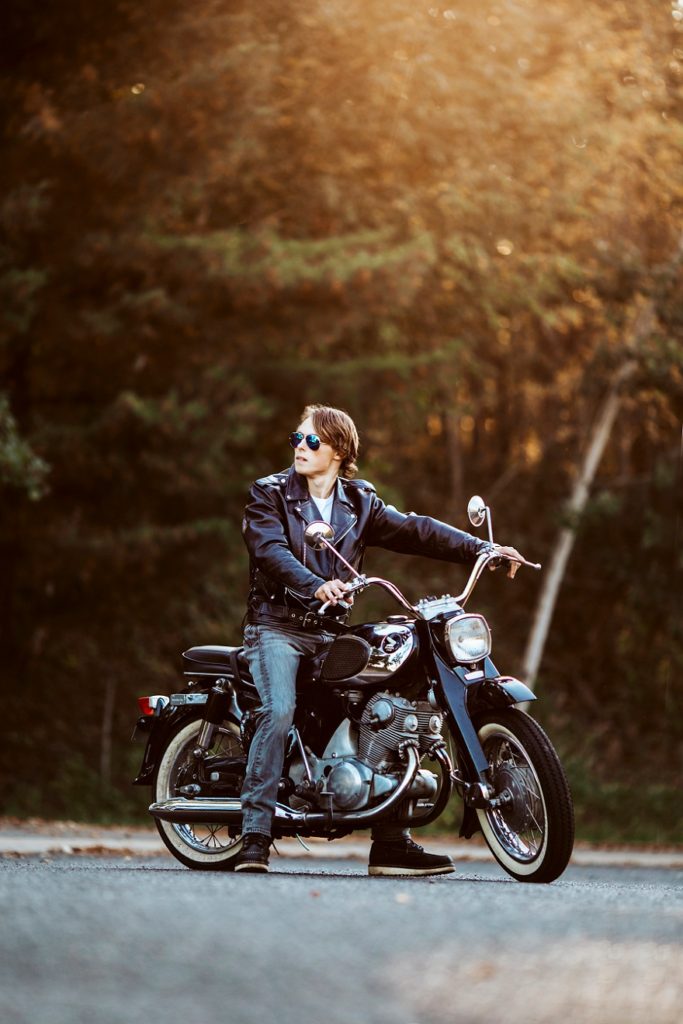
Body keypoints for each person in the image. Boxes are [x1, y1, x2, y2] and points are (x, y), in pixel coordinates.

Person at [234, 404, 522, 874]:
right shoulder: (269, 494)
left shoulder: (359, 503)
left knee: (386, 705)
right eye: (296, 439)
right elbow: (270, 550)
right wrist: (313, 584)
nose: (300, 449)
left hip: (329, 632)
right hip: (276, 628)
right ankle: (254, 836)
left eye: (311, 441)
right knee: (279, 709)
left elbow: (415, 530)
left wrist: (481, 548)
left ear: (338, 450)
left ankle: (390, 841)